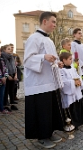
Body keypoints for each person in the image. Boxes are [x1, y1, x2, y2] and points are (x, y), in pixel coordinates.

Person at [23, 12, 64, 149]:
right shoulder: (33, 38)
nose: (55, 25)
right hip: (39, 84)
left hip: (50, 82)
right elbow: (27, 60)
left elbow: (52, 58)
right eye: (53, 22)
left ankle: (49, 132)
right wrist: (43, 57)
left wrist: (58, 63)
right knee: (41, 111)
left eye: (56, 22)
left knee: (50, 110)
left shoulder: (50, 40)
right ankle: (41, 136)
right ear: (44, 21)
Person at [59, 52, 83, 128]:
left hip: (76, 92)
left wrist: (80, 81)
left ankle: (78, 122)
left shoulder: (72, 68)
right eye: (70, 59)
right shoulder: (61, 70)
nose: (72, 61)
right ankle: (71, 124)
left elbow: (77, 76)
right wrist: (73, 83)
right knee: (71, 109)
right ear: (64, 60)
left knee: (77, 108)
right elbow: (63, 82)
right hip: (69, 95)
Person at [71, 28, 83, 108]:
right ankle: (79, 105)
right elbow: (74, 56)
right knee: (80, 88)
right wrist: (82, 65)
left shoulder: (82, 45)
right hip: (78, 69)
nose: (80, 34)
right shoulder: (73, 44)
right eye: (79, 33)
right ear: (74, 34)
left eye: (81, 33)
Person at [1, 44, 18, 111]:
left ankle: (12, 101)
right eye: (8, 49)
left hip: (13, 74)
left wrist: (15, 74)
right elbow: (3, 68)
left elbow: (14, 66)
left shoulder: (12, 57)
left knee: (12, 89)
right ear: (4, 50)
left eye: (10, 48)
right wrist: (7, 75)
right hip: (7, 75)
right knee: (6, 90)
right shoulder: (2, 57)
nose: (10, 49)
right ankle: (5, 103)